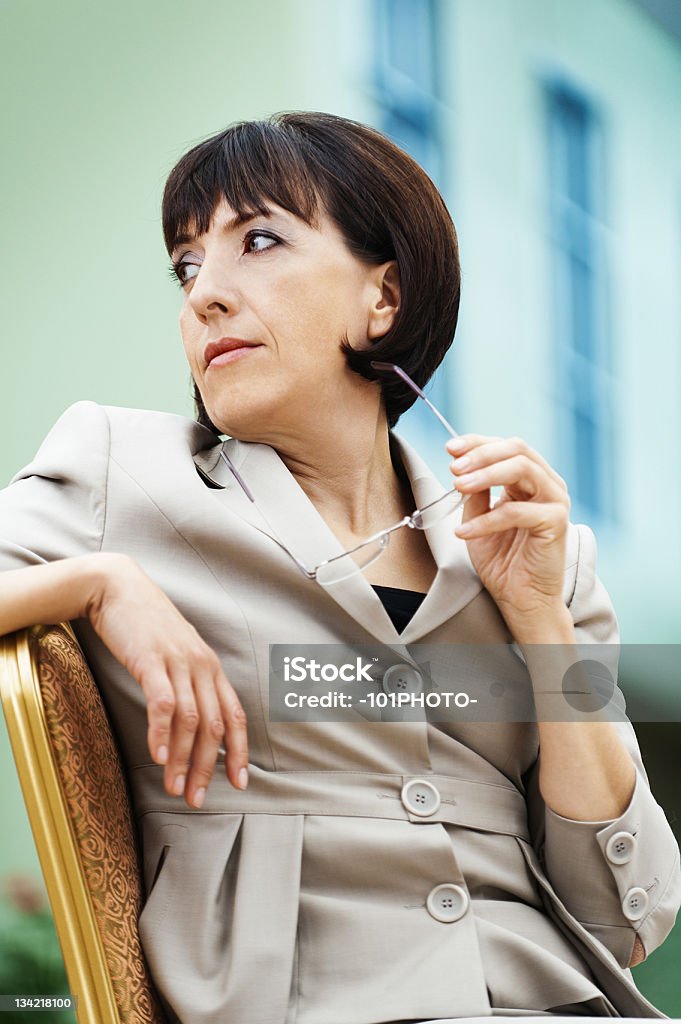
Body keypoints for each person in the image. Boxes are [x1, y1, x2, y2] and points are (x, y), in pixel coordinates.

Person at [0, 110, 679, 1024]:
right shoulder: (123, 472)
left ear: (385, 298)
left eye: (261, 240)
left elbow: (621, 916)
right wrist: (99, 582)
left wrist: (540, 622)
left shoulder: (529, 551)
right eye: (188, 264)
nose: (204, 294)